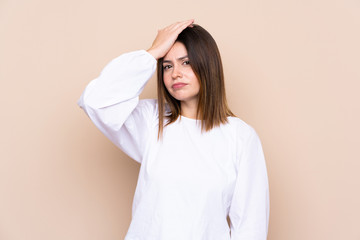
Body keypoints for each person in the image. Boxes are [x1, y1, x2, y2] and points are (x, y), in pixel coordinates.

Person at [78, 19, 269, 240]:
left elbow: (250, 227)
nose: (175, 73)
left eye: (185, 62)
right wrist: (151, 53)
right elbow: (94, 101)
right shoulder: (152, 121)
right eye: (167, 66)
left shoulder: (240, 137)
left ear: (207, 65)